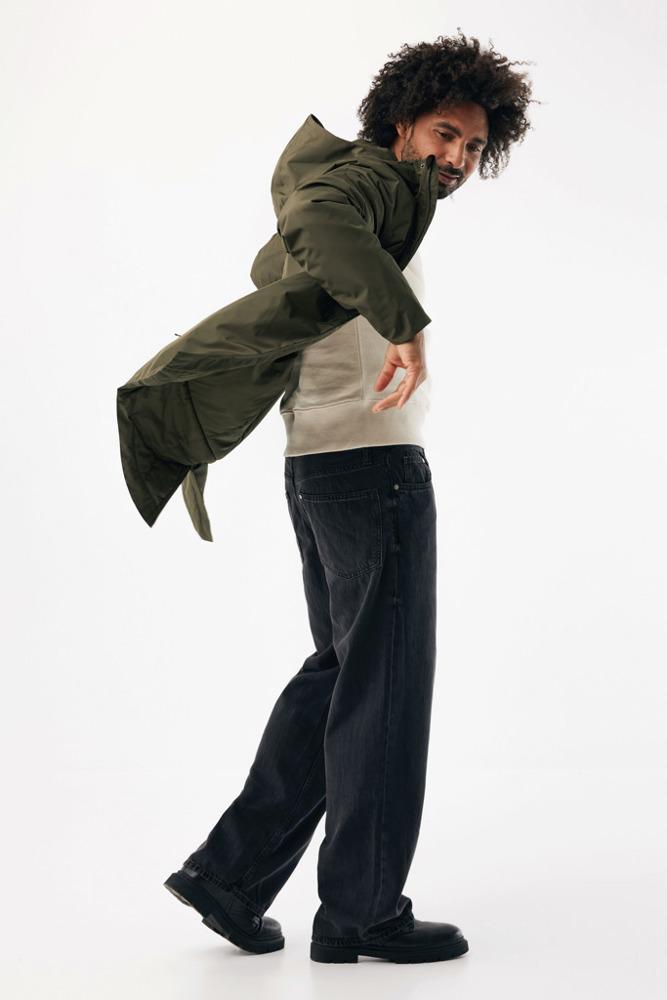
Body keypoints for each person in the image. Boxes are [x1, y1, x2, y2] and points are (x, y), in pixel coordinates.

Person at [163, 30, 534, 964]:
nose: (458, 158)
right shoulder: (363, 183)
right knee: (385, 686)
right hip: (371, 469)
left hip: (325, 466)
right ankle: (362, 911)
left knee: (345, 673)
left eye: (473, 146)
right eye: (445, 134)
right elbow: (317, 226)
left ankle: (230, 876)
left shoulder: (379, 195)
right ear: (401, 122)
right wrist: (404, 326)